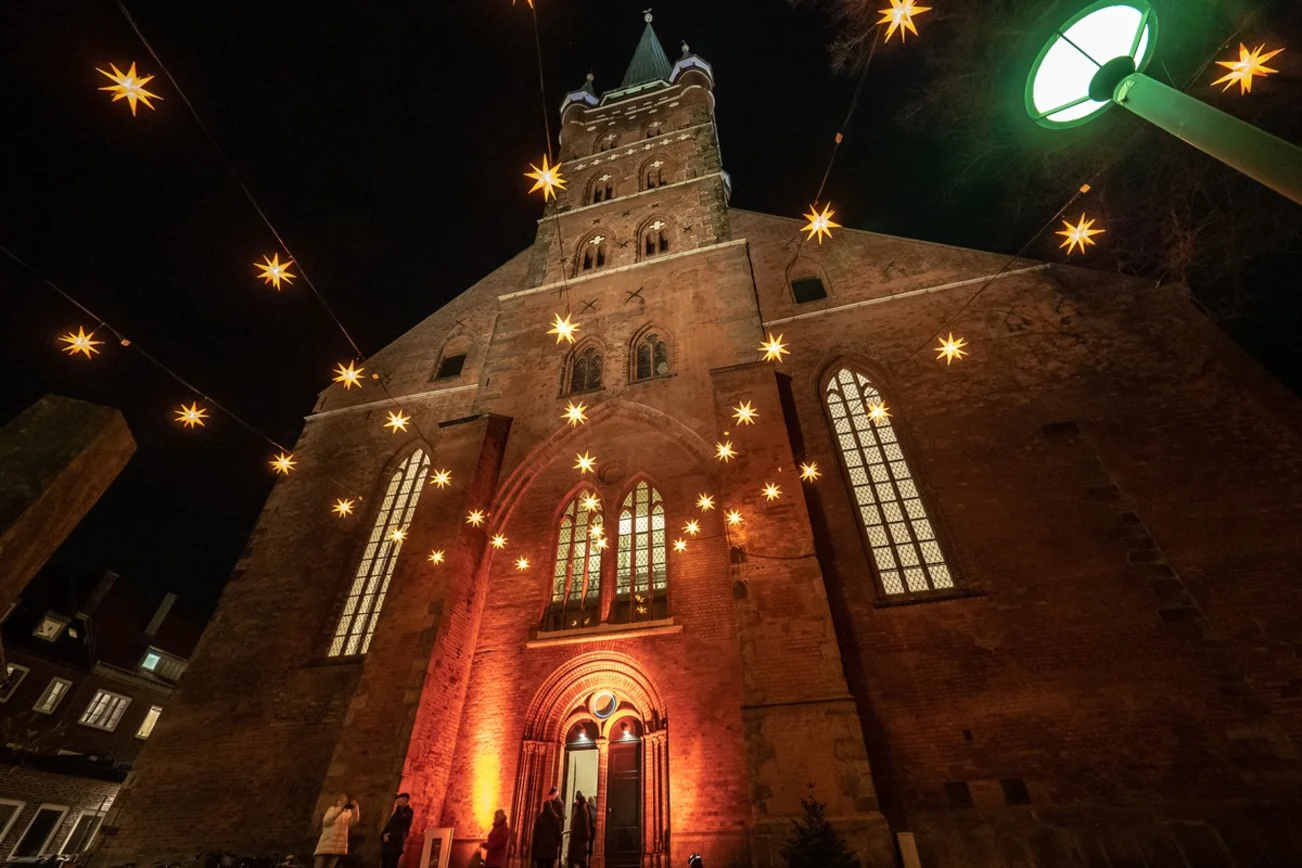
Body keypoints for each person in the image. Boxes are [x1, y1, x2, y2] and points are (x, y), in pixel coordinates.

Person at [314, 794, 359, 868]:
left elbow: (353, 822)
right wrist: (340, 809)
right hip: (326, 845)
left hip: (338, 847)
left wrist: (355, 809)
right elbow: (326, 821)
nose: (343, 801)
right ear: (336, 801)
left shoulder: (347, 813)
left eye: (344, 800)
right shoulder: (332, 810)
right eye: (341, 800)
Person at [380, 793, 414, 868]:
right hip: (388, 845)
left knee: (391, 864)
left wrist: (399, 807)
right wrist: (384, 835)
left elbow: (401, 819)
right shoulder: (396, 813)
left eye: (400, 799)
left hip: (396, 845)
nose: (397, 801)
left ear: (405, 800)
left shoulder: (408, 812)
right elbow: (390, 826)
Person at [529, 796, 562, 868]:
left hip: (540, 848)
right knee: (549, 865)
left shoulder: (540, 818)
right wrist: (557, 844)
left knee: (540, 865)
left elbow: (535, 834)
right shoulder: (555, 818)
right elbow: (558, 834)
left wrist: (533, 848)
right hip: (551, 848)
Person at [565, 792, 594, 868]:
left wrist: (586, 835)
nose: (576, 801)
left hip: (579, 838)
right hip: (578, 837)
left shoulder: (582, 810)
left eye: (577, 800)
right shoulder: (580, 809)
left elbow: (585, 824)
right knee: (578, 857)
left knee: (579, 857)